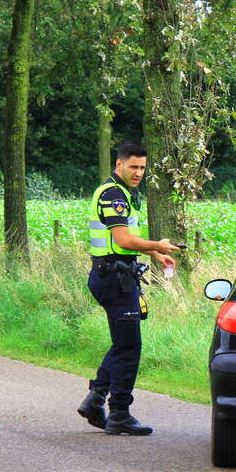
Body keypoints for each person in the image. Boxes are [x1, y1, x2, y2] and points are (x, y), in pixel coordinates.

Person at [77, 143, 179, 436]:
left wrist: (155, 255)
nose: (138, 173)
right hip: (114, 278)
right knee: (129, 346)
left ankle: (95, 399)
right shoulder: (113, 195)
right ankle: (119, 412)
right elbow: (122, 239)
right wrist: (157, 244)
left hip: (115, 275)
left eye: (143, 168)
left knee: (124, 343)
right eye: (133, 167)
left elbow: (128, 239)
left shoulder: (124, 194)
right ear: (119, 164)